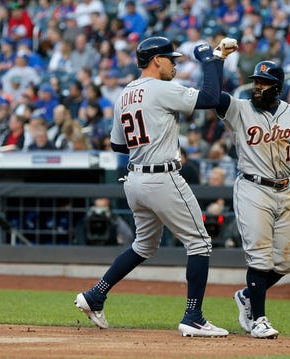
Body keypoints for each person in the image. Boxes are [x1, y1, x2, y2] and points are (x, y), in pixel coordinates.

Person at [75, 35, 238, 337]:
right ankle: (194, 316)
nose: (174, 64)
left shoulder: (124, 94)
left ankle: (96, 294)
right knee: (200, 243)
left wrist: (147, 141)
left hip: (134, 179)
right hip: (161, 176)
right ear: (156, 60)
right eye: (170, 59)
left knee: (144, 246)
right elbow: (211, 98)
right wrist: (212, 62)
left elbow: (115, 143)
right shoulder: (161, 88)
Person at [214, 60, 290, 338]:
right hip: (253, 188)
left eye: (263, 83)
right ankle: (259, 319)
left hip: (284, 190)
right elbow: (213, 97)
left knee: (287, 261)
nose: (257, 87)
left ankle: (246, 295)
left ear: (277, 87)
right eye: (256, 82)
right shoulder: (240, 109)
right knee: (260, 258)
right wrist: (216, 62)